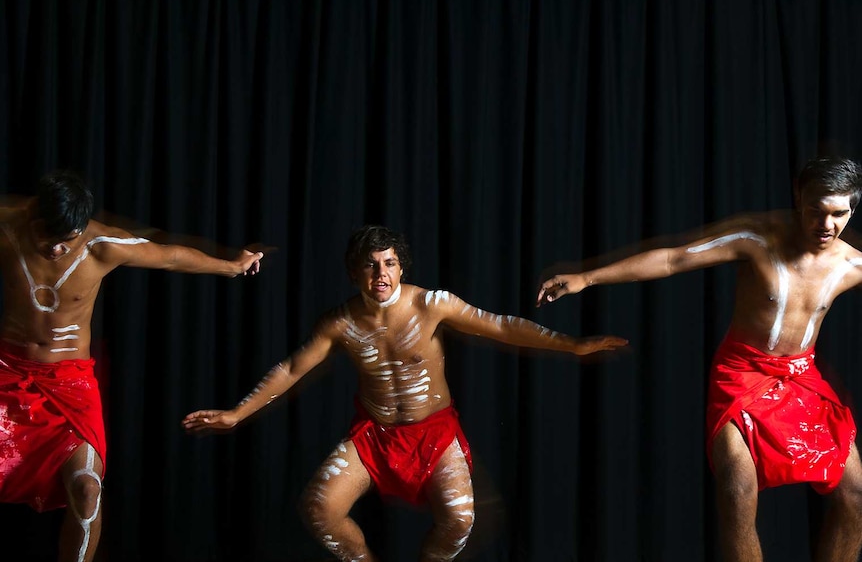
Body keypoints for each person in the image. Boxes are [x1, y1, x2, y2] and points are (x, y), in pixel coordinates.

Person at [182, 224, 628, 562]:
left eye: (390, 263)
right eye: (372, 264)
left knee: (459, 520)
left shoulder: (430, 304)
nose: (382, 273)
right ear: (356, 269)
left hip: (432, 433)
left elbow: (501, 325)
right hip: (374, 436)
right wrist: (238, 413)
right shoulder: (340, 322)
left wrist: (572, 344)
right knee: (319, 509)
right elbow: (293, 367)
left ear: (401, 266)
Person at [536, 156, 862, 562]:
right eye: (816, 210)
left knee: (854, 489)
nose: (826, 224)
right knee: (738, 490)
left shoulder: (852, 264)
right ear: (799, 198)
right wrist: (587, 277)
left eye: (838, 213)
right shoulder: (758, 239)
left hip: (800, 376)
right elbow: (675, 258)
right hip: (742, 373)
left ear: (851, 210)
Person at [0, 169, 264, 562]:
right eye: (49, 239)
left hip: (69, 383)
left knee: (88, 488)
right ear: (32, 215)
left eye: (66, 242)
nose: (57, 250)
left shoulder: (100, 245)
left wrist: (231, 266)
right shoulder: (7, 222)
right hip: (8, 370)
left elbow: (170, 257)